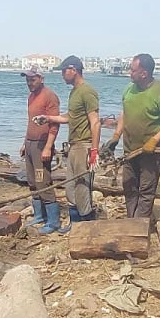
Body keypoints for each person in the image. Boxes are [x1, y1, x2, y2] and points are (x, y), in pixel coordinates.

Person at [103, 54, 160, 220]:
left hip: (150, 152)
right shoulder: (129, 89)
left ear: (144, 74)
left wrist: (154, 140)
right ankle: (132, 220)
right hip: (130, 150)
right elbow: (124, 112)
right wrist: (116, 136)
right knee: (129, 186)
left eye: (133, 70)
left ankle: (140, 224)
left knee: (146, 190)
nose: (129, 72)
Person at [36, 55, 100, 231]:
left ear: (74, 70)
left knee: (82, 186)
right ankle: (74, 222)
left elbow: (95, 121)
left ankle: (86, 224)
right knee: (70, 186)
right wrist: (48, 118)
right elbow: (70, 116)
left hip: (84, 145)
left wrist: (94, 150)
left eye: (64, 71)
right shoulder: (75, 92)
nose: (62, 75)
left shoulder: (87, 91)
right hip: (74, 144)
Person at [19, 66, 62, 233]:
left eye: (33, 79)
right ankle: (39, 215)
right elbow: (30, 122)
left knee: (42, 180)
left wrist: (48, 147)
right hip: (30, 143)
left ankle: (53, 221)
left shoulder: (49, 96)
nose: (29, 83)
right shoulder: (31, 97)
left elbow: (54, 124)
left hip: (42, 144)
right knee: (32, 181)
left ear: (41, 79)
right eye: (27, 80)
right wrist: (24, 143)